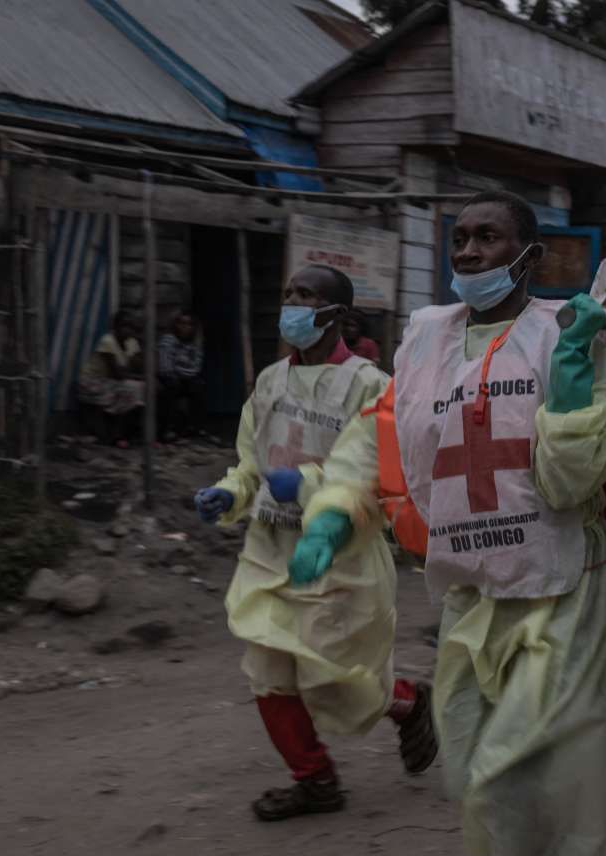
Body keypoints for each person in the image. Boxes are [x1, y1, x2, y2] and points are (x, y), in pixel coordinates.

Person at [308, 191, 606, 856]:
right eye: (462, 238)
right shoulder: (424, 342)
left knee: (526, 772)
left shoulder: (564, 335)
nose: (470, 251)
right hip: (470, 593)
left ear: (529, 255)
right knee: (476, 769)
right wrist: (334, 509)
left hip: (563, 589)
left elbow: (572, 482)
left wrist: (575, 388)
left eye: (490, 237)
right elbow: (377, 434)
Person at [192, 264, 436, 822]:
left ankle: (406, 703)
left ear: (338, 314)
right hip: (269, 551)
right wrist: (229, 494)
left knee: (337, 679)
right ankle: (315, 780)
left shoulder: (370, 387)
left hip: (342, 560)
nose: (292, 304)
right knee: (269, 674)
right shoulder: (270, 383)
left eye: (306, 295)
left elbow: (380, 478)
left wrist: (307, 484)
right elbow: (250, 463)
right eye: (288, 293)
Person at [79, 309, 146, 446]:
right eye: (124, 326)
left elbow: (138, 365)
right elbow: (117, 373)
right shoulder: (108, 341)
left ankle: (124, 434)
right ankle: (116, 435)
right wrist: (137, 375)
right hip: (92, 381)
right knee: (132, 388)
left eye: (131, 326)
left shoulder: (131, 342)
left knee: (138, 387)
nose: (127, 330)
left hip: (111, 381)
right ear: (115, 327)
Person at [158, 311, 204, 439]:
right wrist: (183, 370)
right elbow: (165, 367)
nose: (185, 327)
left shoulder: (194, 345)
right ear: (175, 325)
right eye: (181, 323)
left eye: (189, 324)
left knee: (198, 385)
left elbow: (196, 368)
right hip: (168, 378)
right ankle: (168, 429)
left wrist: (181, 370)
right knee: (172, 385)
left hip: (185, 378)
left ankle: (194, 427)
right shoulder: (168, 341)